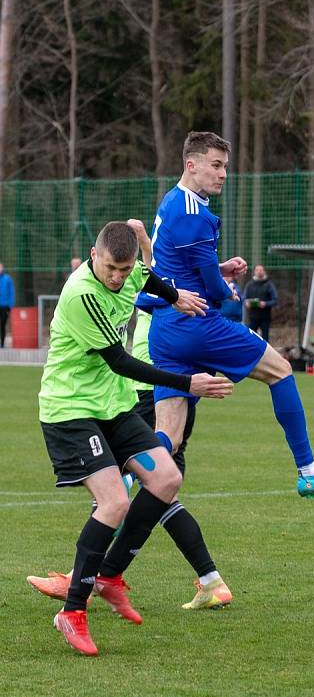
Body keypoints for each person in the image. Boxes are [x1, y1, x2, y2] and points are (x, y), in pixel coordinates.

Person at [36, 220, 232, 655]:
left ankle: (108, 576)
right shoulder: (82, 293)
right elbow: (121, 361)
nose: (118, 278)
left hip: (113, 405)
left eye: (123, 270)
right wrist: (187, 383)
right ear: (93, 255)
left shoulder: (132, 271)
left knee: (166, 479)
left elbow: (150, 276)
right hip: (71, 409)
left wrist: (176, 295)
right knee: (114, 503)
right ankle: (71, 612)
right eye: (111, 268)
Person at [147, 132, 314, 498]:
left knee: (170, 436)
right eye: (215, 165)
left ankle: (124, 479)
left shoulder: (171, 201)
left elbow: (176, 266)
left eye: (225, 166)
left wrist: (219, 268)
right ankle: (307, 471)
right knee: (281, 371)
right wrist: (226, 288)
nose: (223, 174)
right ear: (190, 165)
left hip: (164, 328)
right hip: (197, 325)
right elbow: (211, 290)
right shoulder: (197, 216)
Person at [27, 302, 234, 612]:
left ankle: (83, 577)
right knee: (155, 491)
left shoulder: (164, 278)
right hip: (149, 390)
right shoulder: (161, 282)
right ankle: (210, 579)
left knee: (125, 485)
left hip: (151, 391)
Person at [243, 264, 277, 341]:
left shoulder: (269, 285)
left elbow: (275, 300)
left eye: (261, 270)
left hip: (265, 317)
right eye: (257, 270)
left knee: (265, 339)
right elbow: (244, 298)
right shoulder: (249, 285)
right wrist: (246, 302)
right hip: (252, 317)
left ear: (264, 271)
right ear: (254, 272)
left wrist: (265, 304)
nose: (259, 272)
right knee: (251, 338)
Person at [0, 262, 14, 348]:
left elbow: (12, 293)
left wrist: (10, 306)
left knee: (2, 324)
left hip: (5, 306)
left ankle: (2, 344)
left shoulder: (8, 279)